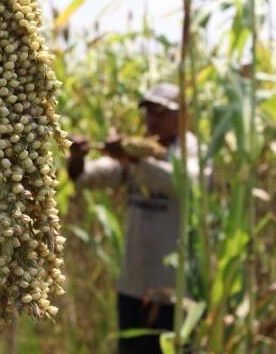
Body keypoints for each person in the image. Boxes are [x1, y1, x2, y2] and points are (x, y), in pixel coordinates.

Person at [67, 83, 201, 354]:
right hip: (134, 285)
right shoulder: (135, 154)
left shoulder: (190, 152)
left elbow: (188, 182)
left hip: (174, 290)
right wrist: (77, 157)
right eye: (149, 113)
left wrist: (135, 161)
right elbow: (84, 178)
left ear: (181, 117)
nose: (152, 120)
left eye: (160, 113)